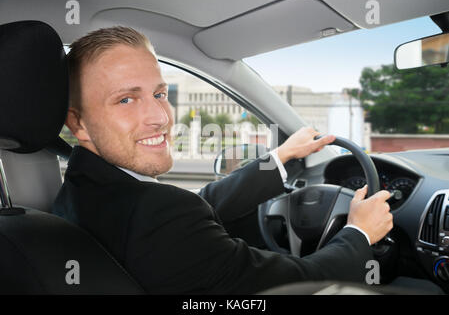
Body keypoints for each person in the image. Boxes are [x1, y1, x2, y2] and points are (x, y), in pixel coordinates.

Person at [52, 26, 393, 294]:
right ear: (78, 122)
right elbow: (299, 284)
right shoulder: (156, 217)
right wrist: (358, 232)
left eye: (159, 94)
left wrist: (280, 157)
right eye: (126, 100)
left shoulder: (83, 186)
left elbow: (195, 207)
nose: (159, 117)